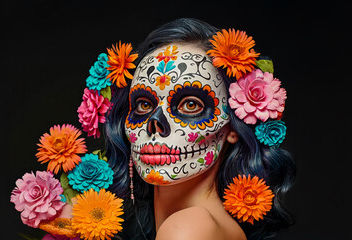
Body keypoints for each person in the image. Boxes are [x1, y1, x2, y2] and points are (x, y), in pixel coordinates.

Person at [104, 18, 296, 240]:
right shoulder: (208, 225)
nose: (155, 123)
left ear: (233, 124)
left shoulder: (188, 228)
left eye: (191, 104)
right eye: (144, 104)